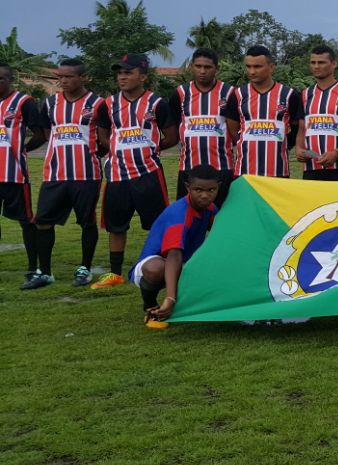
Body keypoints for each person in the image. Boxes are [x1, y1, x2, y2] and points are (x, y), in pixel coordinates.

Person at [92, 54, 178, 289]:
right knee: (116, 225)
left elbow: (171, 136)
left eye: (128, 72)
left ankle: (160, 269)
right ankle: (115, 274)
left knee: (158, 224)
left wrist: (151, 150)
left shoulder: (156, 103)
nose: (122, 77)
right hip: (118, 176)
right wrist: (116, 152)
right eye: (120, 73)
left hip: (148, 174)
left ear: (142, 76)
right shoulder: (107, 104)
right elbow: (102, 133)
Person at [31, 58, 101, 287]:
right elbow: (45, 133)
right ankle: (45, 272)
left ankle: (84, 269)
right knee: (42, 222)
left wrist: (90, 153)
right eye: (60, 76)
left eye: (69, 76)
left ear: (83, 77)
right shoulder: (50, 103)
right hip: (55, 174)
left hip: (87, 175)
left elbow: (106, 139)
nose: (63, 80)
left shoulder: (98, 104)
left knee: (87, 222)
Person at [130, 164, 222, 329]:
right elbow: (174, 256)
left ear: (218, 188)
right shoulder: (179, 214)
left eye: (211, 190)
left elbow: (222, 237)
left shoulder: (211, 209)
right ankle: (151, 307)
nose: (204, 195)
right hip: (157, 264)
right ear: (188, 187)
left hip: (183, 263)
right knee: (156, 268)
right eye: (198, 190)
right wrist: (170, 298)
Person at [0, 65, 50, 288]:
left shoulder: (23, 102)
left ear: (10, 79)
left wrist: (21, 150)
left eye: (1, 78)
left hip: (14, 175)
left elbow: (40, 134)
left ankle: (33, 268)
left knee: (27, 222)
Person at [223, 46, 302, 178]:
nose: (252, 71)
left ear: (271, 67)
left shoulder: (289, 95)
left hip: (278, 171)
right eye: (248, 66)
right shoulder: (237, 95)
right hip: (245, 172)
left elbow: (297, 127)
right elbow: (233, 129)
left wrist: (282, 145)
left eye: (257, 67)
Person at [170, 48, 235, 209]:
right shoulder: (180, 93)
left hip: (222, 167)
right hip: (189, 168)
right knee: (188, 220)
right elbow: (173, 127)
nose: (202, 71)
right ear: (191, 66)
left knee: (221, 219)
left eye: (207, 67)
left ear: (217, 68)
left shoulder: (230, 93)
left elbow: (236, 127)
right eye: (198, 66)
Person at [295, 44, 338, 180]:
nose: (316, 66)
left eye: (321, 62)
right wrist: (299, 148)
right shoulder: (305, 94)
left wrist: (337, 152)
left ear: (334, 64)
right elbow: (302, 129)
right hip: (311, 167)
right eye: (313, 62)